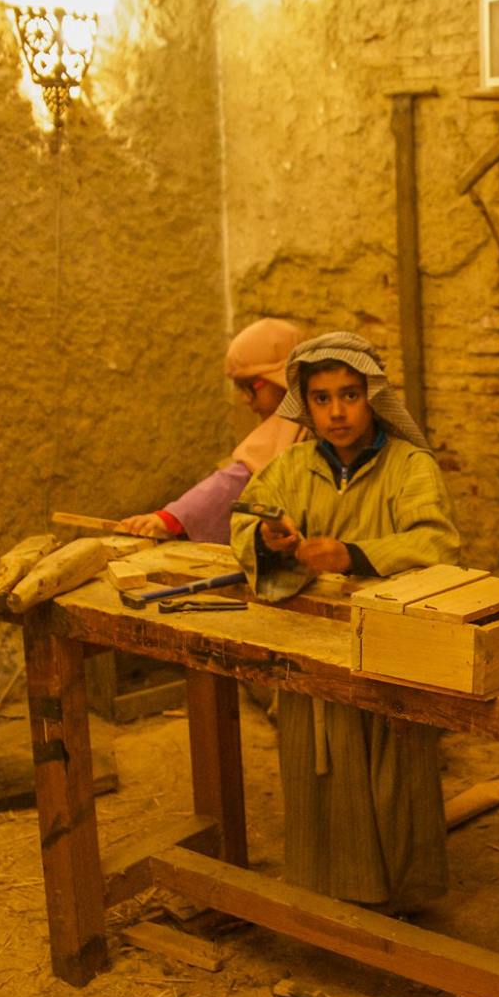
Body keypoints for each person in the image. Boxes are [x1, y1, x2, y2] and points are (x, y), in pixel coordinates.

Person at [227, 332, 461, 913]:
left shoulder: (410, 466)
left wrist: (352, 556)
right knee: (317, 765)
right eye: (323, 398)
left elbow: (436, 543)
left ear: (371, 397)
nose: (336, 411)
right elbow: (244, 520)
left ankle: (401, 902)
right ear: (305, 406)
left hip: (389, 649)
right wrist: (266, 536)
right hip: (314, 645)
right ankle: (329, 897)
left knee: (392, 774)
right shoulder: (289, 468)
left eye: (350, 395)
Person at [118, 318, 307, 544]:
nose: (245, 399)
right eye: (240, 387)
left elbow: (236, 481)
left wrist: (173, 519)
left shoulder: (297, 427)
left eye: (250, 386)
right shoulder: (285, 429)